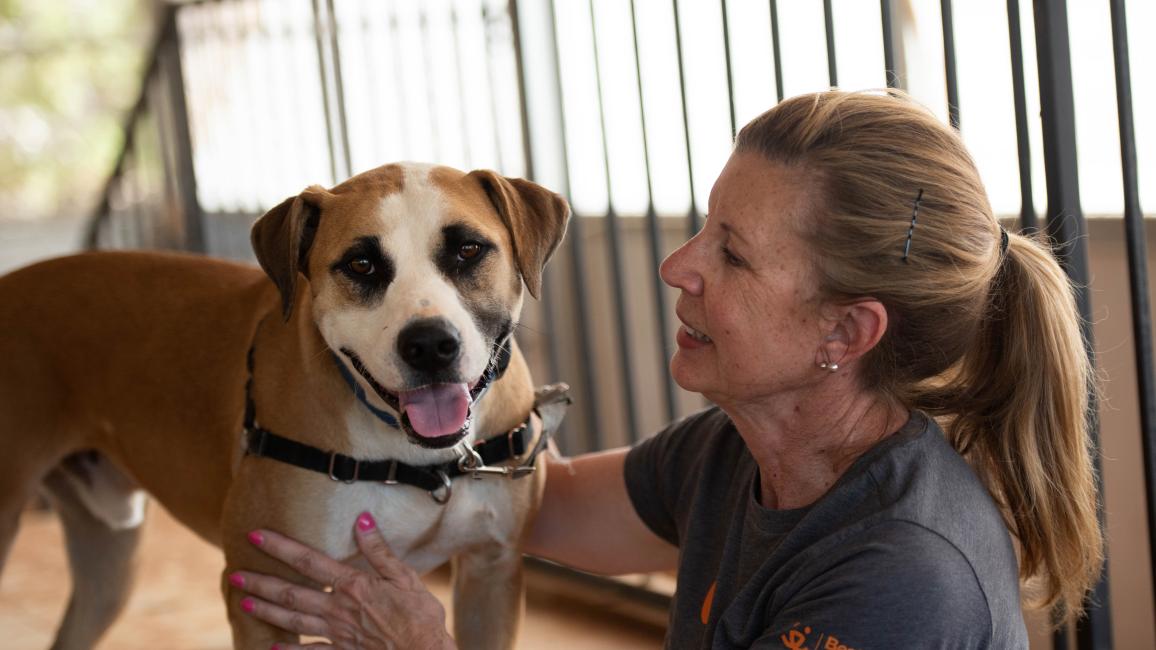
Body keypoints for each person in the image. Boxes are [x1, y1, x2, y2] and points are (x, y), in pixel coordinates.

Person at [228, 90, 1102, 648]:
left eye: (733, 253)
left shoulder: (901, 577)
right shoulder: (732, 458)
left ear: (847, 330)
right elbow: (536, 509)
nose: (676, 266)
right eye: (701, 226)